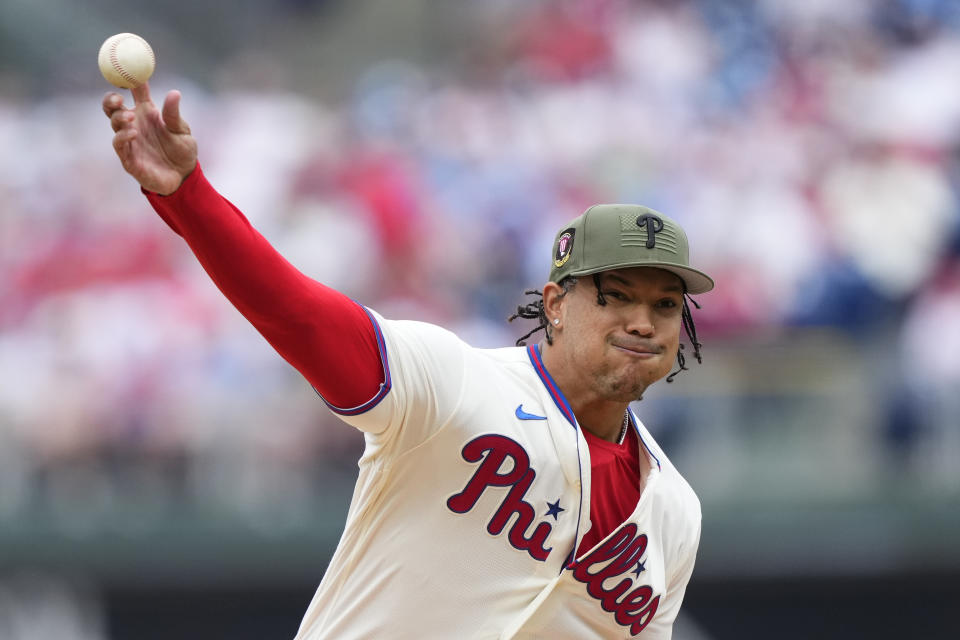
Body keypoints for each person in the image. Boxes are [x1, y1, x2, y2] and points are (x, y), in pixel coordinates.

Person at [102, 83, 714, 639]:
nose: (643, 322)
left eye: (664, 305)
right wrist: (189, 197)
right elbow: (298, 314)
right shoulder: (455, 382)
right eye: (618, 296)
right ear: (555, 303)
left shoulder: (674, 514)